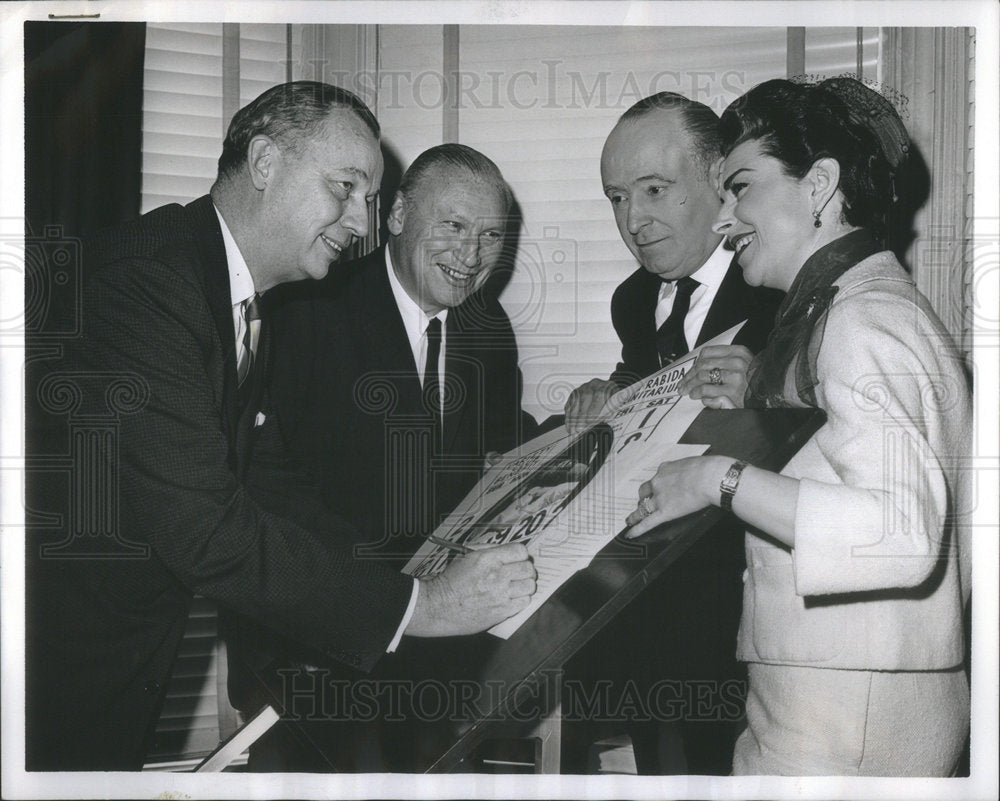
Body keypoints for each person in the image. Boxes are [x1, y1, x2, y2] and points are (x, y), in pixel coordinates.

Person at [25, 82, 535, 771]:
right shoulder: (149, 284)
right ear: (264, 162)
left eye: (366, 195)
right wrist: (420, 607)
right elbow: (210, 529)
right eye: (345, 186)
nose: (360, 219)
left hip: (121, 659)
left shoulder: (231, 295)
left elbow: (271, 480)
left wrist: (411, 594)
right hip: (54, 665)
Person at [626, 77, 971, 776]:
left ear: (818, 186)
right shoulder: (859, 307)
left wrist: (715, 478)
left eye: (741, 187)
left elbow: (897, 532)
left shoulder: (860, 321)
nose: (723, 221)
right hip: (837, 696)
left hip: (846, 718)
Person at [225, 144, 540, 769]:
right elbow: (267, 491)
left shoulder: (487, 328)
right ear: (397, 215)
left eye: (490, 236)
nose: (472, 255)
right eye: (452, 225)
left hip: (441, 653)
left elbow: (492, 457)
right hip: (313, 646)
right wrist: (388, 611)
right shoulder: (304, 307)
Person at [560, 93, 783, 775]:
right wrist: (606, 393)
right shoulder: (634, 297)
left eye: (655, 190)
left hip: (750, 604)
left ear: (720, 178)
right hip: (652, 592)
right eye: (618, 198)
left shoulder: (781, 287)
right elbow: (647, 389)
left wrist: (765, 390)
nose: (634, 220)